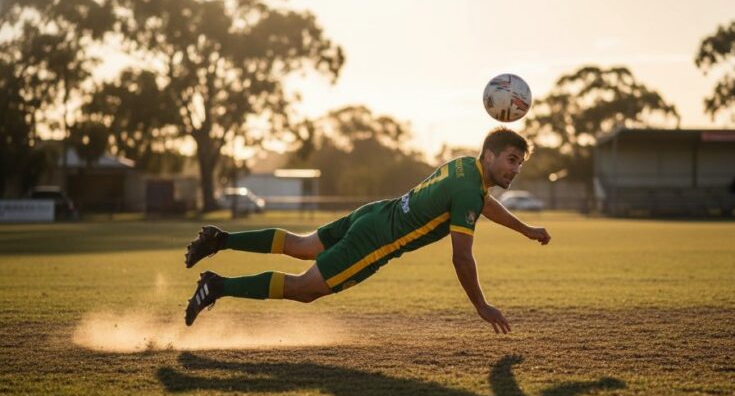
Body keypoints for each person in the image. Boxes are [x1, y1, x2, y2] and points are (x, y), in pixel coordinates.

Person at [183, 127, 551, 333]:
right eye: (511, 159)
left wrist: (525, 229)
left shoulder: (464, 168)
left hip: (375, 212)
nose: (515, 168)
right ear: (489, 155)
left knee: (300, 245)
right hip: (374, 241)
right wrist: (481, 305)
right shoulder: (471, 190)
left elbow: (483, 203)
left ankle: (221, 239)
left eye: (519, 162)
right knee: (303, 289)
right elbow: (461, 258)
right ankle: (217, 285)